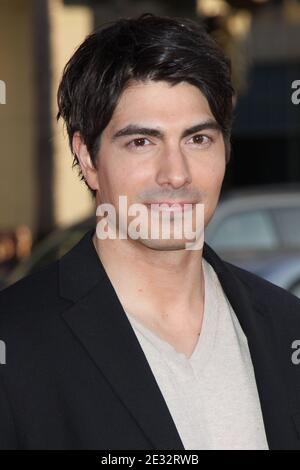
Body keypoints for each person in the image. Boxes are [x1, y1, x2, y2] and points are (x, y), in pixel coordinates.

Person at [0, 13, 300, 451]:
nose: (176, 174)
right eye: (142, 142)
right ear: (87, 158)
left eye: (198, 139)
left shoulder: (286, 326)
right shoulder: (15, 341)